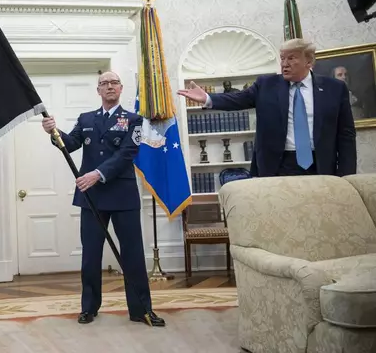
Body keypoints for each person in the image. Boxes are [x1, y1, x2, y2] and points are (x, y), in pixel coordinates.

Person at [41, 71, 164, 327]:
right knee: (91, 255)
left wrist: (97, 174)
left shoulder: (134, 120)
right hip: (92, 197)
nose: (109, 87)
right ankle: (89, 308)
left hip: (122, 195)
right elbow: (71, 143)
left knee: (132, 254)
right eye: (104, 84)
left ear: (121, 89)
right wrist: (54, 132)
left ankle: (141, 309)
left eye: (114, 83)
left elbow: (126, 154)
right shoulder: (87, 118)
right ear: (98, 90)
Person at [178, 38, 356, 177]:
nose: (284, 63)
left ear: (308, 62)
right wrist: (208, 98)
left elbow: (346, 134)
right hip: (279, 166)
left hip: (322, 165)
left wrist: (347, 175)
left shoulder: (335, 88)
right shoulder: (266, 85)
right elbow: (238, 99)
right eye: (282, 58)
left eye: (291, 58)